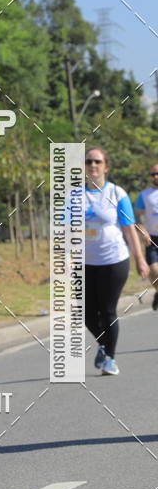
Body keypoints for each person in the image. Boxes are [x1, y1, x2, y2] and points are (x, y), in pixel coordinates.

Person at [84, 147, 149, 375]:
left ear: (106, 166)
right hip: (85, 263)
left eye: (97, 162)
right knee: (87, 313)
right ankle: (104, 345)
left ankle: (109, 358)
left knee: (107, 309)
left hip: (114, 260)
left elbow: (129, 230)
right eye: (89, 161)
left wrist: (140, 259)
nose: (93, 165)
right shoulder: (74, 196)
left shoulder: (116, 193)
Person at [133, 163, 158, 311]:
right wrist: (143, 231)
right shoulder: (144, 195)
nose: (155, 176)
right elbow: (136, 218)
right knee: (154, 273)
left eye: (157, 173)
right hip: (153, 239)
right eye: (153, 174)